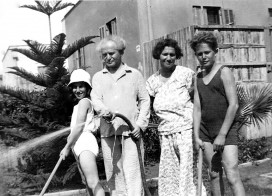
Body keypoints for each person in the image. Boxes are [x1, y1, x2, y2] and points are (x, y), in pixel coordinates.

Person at [90, 35, 150, 196]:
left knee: (133, 172)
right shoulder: (98, 77)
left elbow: (145, 100)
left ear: (121, 52)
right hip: (108, 133)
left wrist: (140, 125)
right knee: (114, 174)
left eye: (112, 53)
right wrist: (103, 110)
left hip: (131, 132)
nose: (108, 57)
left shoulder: (134, 74)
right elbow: (95, 99)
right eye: (104, 55)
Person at [146, 38, 206, 196]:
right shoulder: (152, 81)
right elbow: (145, 106)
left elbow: (198, 100)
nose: (168, 58)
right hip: (165, 134)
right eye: (165, 54)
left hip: (186, 131)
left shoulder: (185, 74)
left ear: (176, 56)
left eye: (172, 54)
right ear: (158, 55)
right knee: (170, 176)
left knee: (188, 174)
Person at [191, 31, 245, 196]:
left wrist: (222, 135)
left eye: (207, 52)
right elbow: (197, 108)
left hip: (225, 130)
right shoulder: (198, 77)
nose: (204, 57)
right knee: (214, 174)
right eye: (199, 54)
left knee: (231, 173)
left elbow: (233, 105)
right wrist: (196, 135)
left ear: (215, 51)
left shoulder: (224, 72)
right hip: (206, 131)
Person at [60, 69, 105, 196]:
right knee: (88, 184)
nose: (78, 90)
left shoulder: (84, 102)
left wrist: (66, 147)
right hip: (79, 145)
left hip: (85, 143)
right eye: (74, 87)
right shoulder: (80, 104)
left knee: (93, 183)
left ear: (87, 87)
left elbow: (79, 126)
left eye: (81, 86)